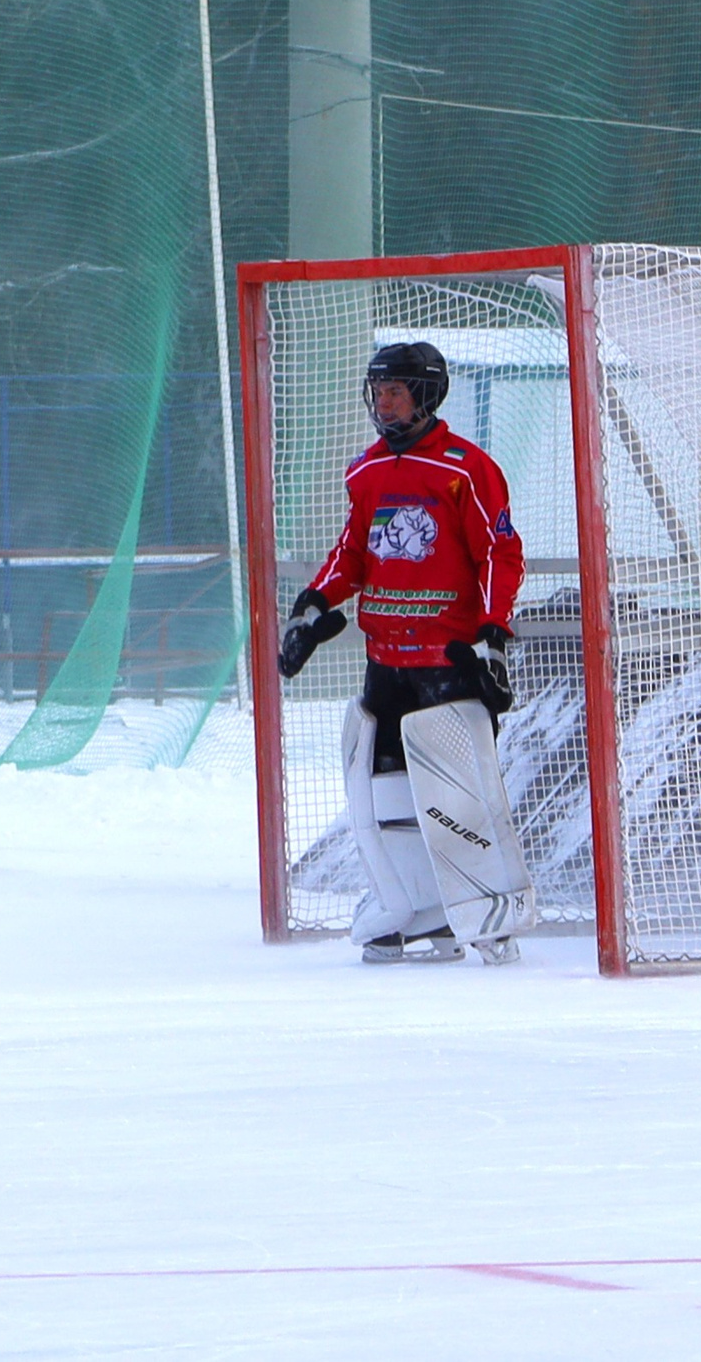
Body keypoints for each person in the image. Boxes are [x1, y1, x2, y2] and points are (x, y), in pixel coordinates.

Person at [275, 340, 533, 964]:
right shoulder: (365, 471)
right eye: (378, 391)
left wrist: (493, 632)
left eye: (395, 390)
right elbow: (354, 554)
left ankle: (489, 913)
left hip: (447, 664)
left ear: (426, 394)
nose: (382, 403)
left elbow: (500, 553)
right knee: (387, 791)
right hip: (385, 662)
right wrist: (315, 605)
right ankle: (418, 912)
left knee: (457, 793)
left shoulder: (466, 468)